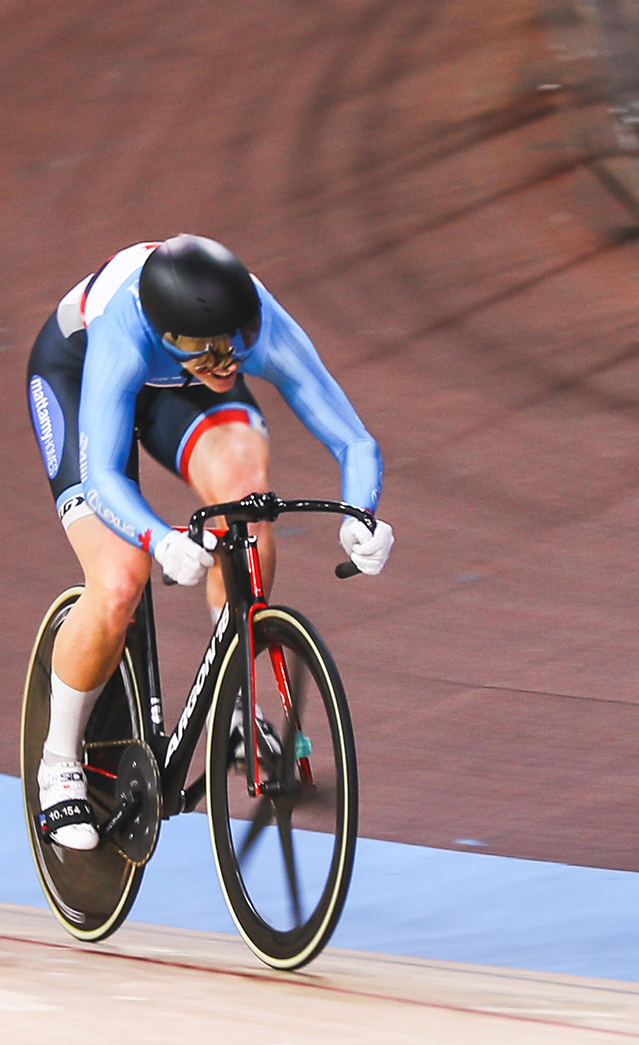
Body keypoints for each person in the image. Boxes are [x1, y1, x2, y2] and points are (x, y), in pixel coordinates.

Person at [24, 235, 391, 850]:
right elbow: (105, 478)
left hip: (177, 384)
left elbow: (354, 441)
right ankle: (58, 760)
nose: (228, 363)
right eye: (209, 352)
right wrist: (160, 539)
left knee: (248, 496)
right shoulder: (123, 331)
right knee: (119, 579)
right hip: (76, 371)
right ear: (171, 336)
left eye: (235, 349)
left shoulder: (253, 324)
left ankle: (232, 705)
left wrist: (362, 514)